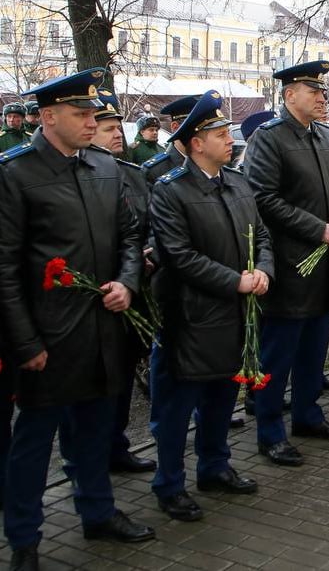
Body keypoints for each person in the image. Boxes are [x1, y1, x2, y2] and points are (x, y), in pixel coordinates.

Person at [0, 69, 155, 570]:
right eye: (81, 114)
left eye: (95, 114)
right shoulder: (14, 173)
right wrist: (25, 344)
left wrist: (127, 283)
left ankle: (98, 512)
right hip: (48, 337)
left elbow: (131, 236)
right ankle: (24, 539)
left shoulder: (104, 168)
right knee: (33, 444)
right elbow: (4, 270)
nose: (93, 122)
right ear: (47, 117)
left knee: (93, 431)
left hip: (102, 327)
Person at [147, 90, 273, 522]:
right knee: (176, 409)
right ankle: (169, 484)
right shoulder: (171, 191)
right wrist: (236, 280)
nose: (230, 140)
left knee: (222, 398)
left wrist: (263, 272)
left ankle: (214, 467)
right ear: (196, 142)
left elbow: (263, 236)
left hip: (236, 317)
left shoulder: (238, 183)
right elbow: (178, 256)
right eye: (220, 133)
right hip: (192, 319)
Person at [243, 60, 329, 467]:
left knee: (314, 349)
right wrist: (316, 228)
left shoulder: (324, 136)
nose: (323, 98)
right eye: (314, 91)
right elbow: (263, 199)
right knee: (279, 353)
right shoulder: (269, 139)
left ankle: (308, 415)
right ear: (290, 95)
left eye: (323, 91)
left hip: (324, 264)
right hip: (291, 264)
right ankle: (270, 432)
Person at [89, 89, 158, 475]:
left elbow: (150, 227)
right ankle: (82, 458)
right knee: (92, 384)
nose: (117, 134)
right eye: (107, 128)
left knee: (123, 376)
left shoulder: (134, 174)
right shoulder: (83, 175)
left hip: (134, 290)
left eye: (119, 128)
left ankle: (116, 446)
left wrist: (149, 255)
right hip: (97, 293)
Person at [141, 95, 202, 184]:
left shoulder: (210, 163)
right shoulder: (153, 171)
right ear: (175, 127)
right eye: (195, 127)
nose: (201, 133)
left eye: (205, 128)